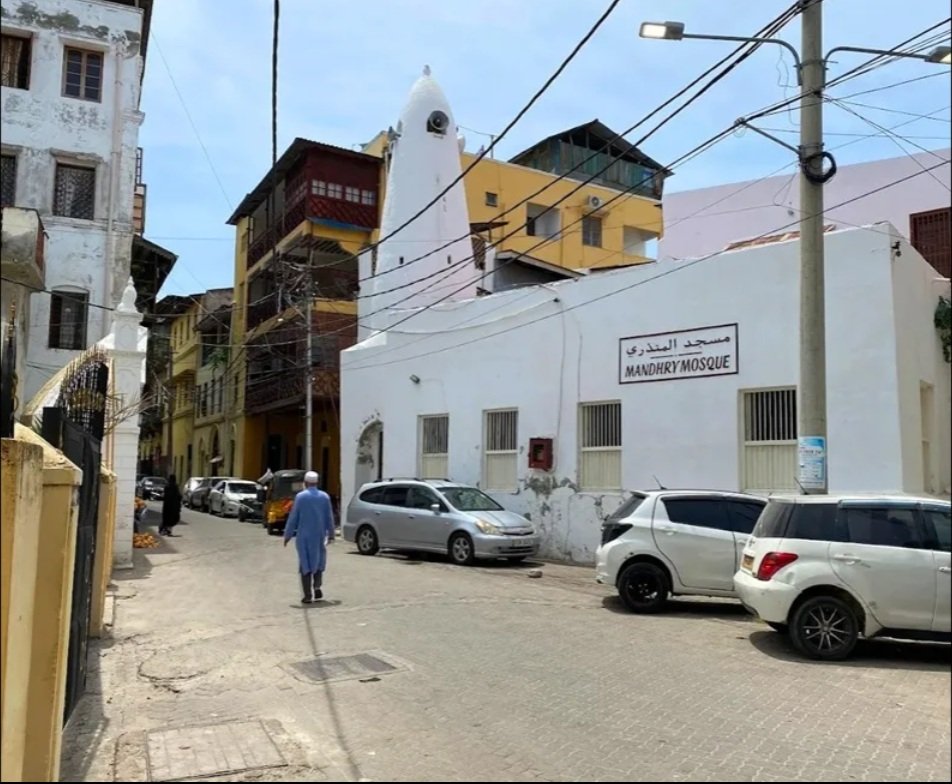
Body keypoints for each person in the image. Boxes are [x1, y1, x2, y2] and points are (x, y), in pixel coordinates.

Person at [283, 471, 336, 603]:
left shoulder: (301, 497)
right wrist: (331, 534)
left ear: (305, 483)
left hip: (304, 537)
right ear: (317, 482)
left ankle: (307, 595)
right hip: (319, 535)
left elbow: (293, 517)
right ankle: (317, 586)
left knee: (305, 564)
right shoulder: (324, 497)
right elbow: (330, 517)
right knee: (319, 561)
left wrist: (288, 535)